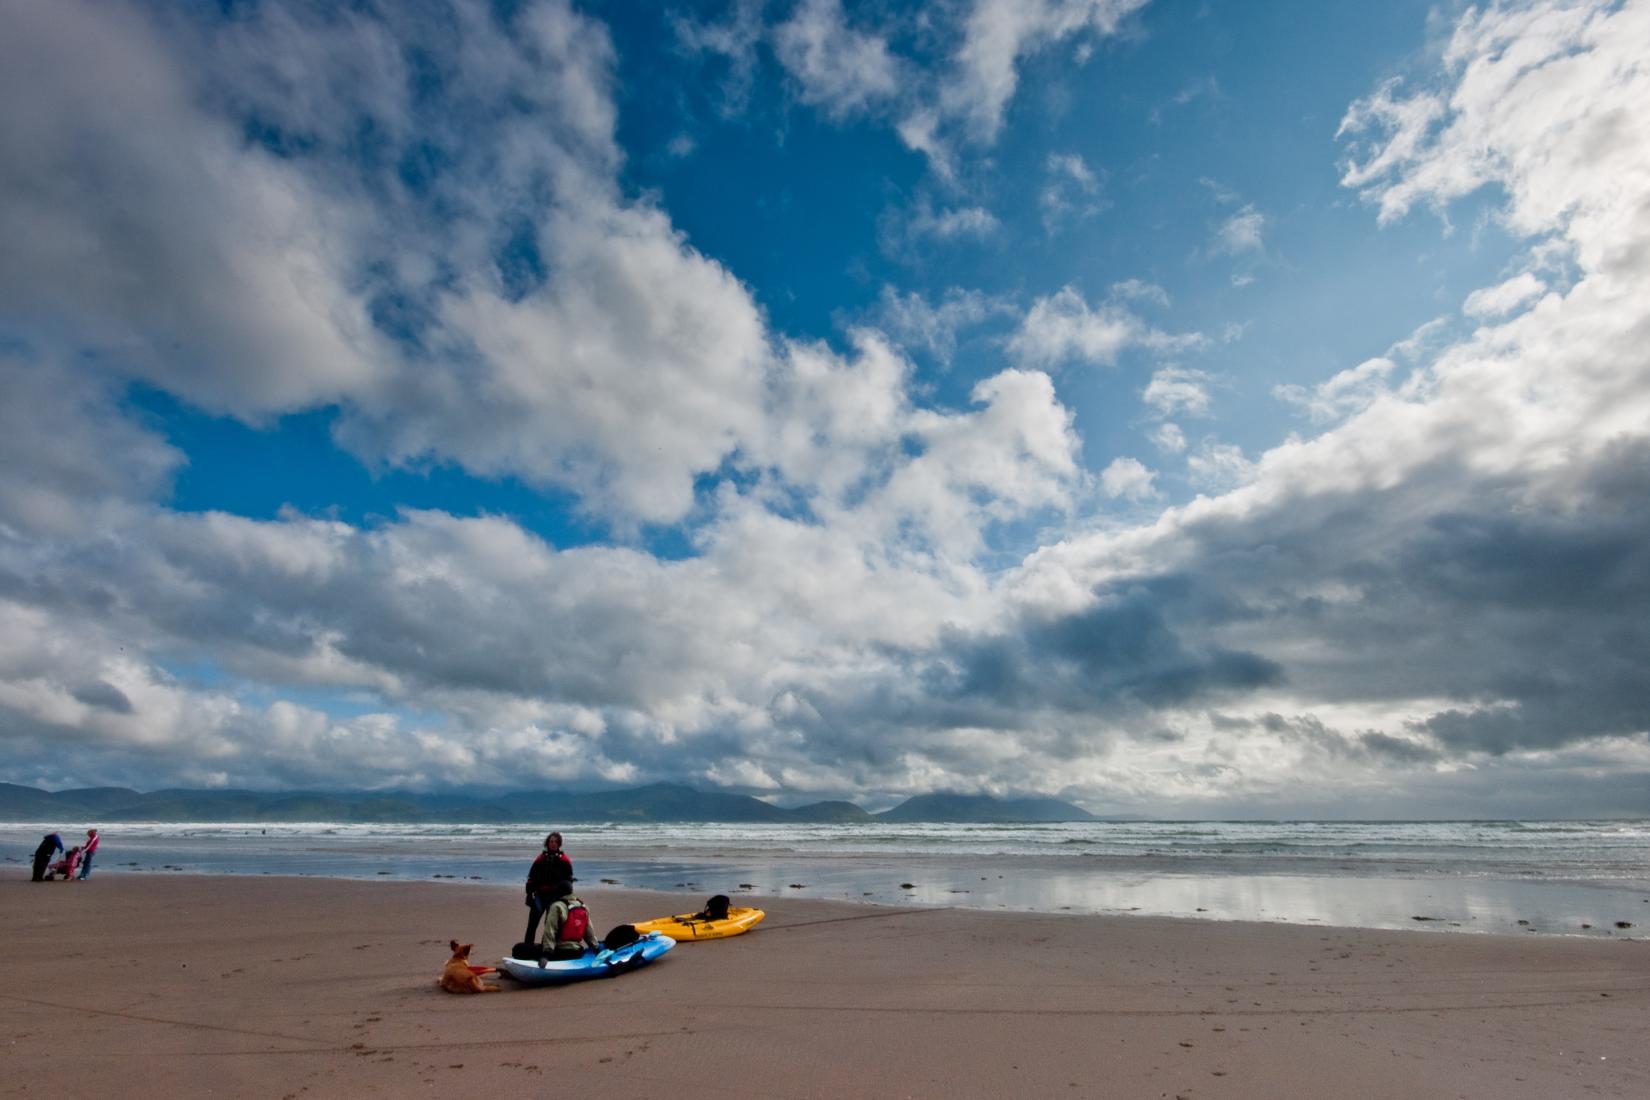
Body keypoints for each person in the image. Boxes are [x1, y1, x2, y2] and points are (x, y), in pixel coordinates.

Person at [523, 831, 573, 943]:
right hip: (540, 895)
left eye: (555, 841)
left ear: (559, 844)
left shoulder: (564, 860)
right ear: (547, 843)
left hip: (555, 897)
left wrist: (566, 898)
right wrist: (530, 893)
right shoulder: (540, 858)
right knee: (532, 923)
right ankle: (527, 947)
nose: (553, 843)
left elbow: (569, 882)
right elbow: (531, 877)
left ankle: (547, 948)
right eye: (551, 841)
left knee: (550, 926)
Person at [538, 885, 598, 959]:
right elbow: (589, 933)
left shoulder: (557, 906)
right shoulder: (583, 907)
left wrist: (546, 953)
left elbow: (550, 931)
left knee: (521, 947)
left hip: (559, 951)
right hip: (577, 951)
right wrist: (596, 948)